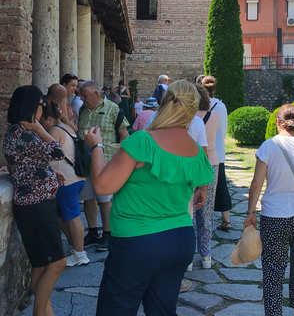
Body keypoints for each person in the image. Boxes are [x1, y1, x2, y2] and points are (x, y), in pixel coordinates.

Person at [85, 80, 215, 316]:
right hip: (180, 239)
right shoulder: (195, 149)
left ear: (163, 103)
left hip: (137, 241)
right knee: (162, 311)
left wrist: (97, 147)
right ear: (193, 109)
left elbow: (103, 185)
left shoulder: (144, 140)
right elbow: (204, 177)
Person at [244, 104, 294, 316]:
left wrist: (251, 213)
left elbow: (256, 183)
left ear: (277, 122)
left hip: (273, 217)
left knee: (272, 271)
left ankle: (274, 313)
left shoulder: (268, 146)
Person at [3, 85, 67, 316]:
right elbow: (57, 152)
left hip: (33, 203)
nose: (43, 109)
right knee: (58, 263)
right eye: (42, 105)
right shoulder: (26, 134)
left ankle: (45, 312)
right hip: (36, 205)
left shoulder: (15, 132)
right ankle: (40, 312)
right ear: (33, 107)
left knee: (41, 266)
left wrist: (48, 172)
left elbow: (24, 163)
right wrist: (40, 128)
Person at [77, 80, 130, 252]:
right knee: (88, 198)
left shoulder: (113, 109)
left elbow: (124, 136)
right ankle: (93, 232)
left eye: (84, 95)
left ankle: (107, 233)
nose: (81, 98)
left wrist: (123, 161)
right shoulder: (83, 110)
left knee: (105, 200)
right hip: (85, 162)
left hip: (106, 161)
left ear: (95, 94)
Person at [40, 100, 89, 267]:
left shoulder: (54, 130)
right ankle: (74, 248)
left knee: (73, 217)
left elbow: (46, 154)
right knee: (62, 217)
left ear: (48, 119)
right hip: (74, 179)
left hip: (66, 181)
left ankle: (80, 254)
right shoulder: (67, 127)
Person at [200, 75, 232, 231]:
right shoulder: (221, 106)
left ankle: (200, 219)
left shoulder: (197, 106)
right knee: (220, 186)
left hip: (200, 151)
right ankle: (226, 219)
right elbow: (224, 131)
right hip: (217, 152)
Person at [193, 84, 220, 269]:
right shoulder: (215, 115)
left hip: (190, 163)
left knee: (189, 212)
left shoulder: (189, 117)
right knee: (207, 211)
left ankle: (187, 257)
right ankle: (206, 255)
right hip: (211, 162)